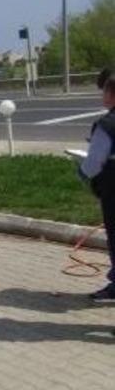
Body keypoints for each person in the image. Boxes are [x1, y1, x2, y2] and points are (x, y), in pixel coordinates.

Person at [79, 69, 115, 302]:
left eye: (105, 91)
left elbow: (93, 163)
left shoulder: (107, 124)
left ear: (111, 95)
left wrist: (82, 172)